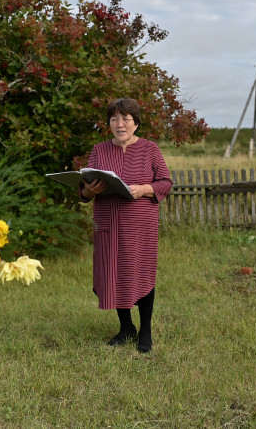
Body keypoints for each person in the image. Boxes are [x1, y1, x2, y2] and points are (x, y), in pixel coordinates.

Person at [79, 98, 173, 353]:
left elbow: (165, 182)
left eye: (126, 119)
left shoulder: (150, 149)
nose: (120, 124)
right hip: (108, 223)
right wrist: (88, 191)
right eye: (114, 119)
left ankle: (145, 330)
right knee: (114, 273)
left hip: (140, 225)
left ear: (136, 124)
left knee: (140, 272)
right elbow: (85, 192)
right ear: (109, 124)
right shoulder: (99, 151)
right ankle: (126, 327)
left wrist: (144, 189)